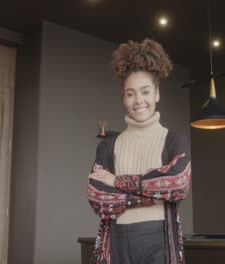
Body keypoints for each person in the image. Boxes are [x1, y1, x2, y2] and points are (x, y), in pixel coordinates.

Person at [87, 38, 191, 264]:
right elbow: (97, 197)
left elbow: (177, 184)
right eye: (131, 93)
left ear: (156, 94)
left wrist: (116, 181)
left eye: (145, 92)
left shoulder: (174, 140)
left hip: (160, 240)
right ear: (124, 99)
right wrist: (150, 197)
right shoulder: (107, 146)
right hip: (116, 241)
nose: (138, 100)